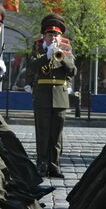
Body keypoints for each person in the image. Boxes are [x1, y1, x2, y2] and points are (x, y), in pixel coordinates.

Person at [25, 13, 77, 178]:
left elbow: (72, 70)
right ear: (44, 35)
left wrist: (60, 56)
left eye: (56, 34)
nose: (53, 37)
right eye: (50, 34)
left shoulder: (66, 49)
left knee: (56, 135)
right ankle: (41, 164)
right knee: (43, 133)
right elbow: (32, 67)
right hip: (42, 96)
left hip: (60, 97)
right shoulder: (38, 48)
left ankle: (54, 166)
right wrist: (47, 56)